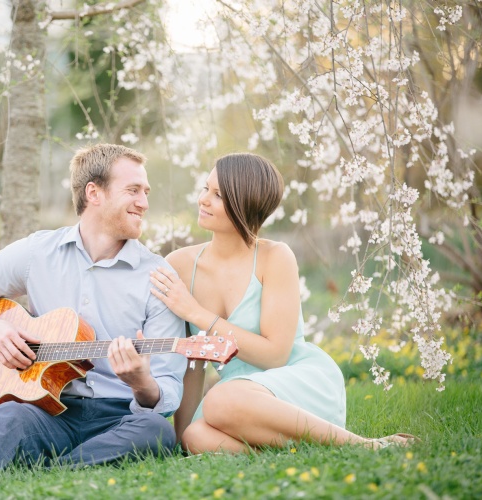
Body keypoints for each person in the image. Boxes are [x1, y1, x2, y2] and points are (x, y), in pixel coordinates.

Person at [0, 143, 187, 483]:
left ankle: (55, 469)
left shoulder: (158, 277)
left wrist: (143, 384)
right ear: (94, 193)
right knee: (10, 416)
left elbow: (168, 389)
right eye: (132, 191)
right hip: (50, 410)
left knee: (156, 430)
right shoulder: (38, 252)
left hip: (120, 416)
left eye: (145, 191)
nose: (143, 202)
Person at [149, 152, 418, 454]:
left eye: (218, 195)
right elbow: (193, 362)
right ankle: (294, 450)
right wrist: (181, 435)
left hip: (293, 379)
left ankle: (365, 446)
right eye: (205, 188)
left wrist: (196, 313)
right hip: (233, 398)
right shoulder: (181, 265)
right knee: (194, 437)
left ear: (244, 202)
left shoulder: (274, 257)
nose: (203, 200)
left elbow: (275, 354)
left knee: (220, 400)